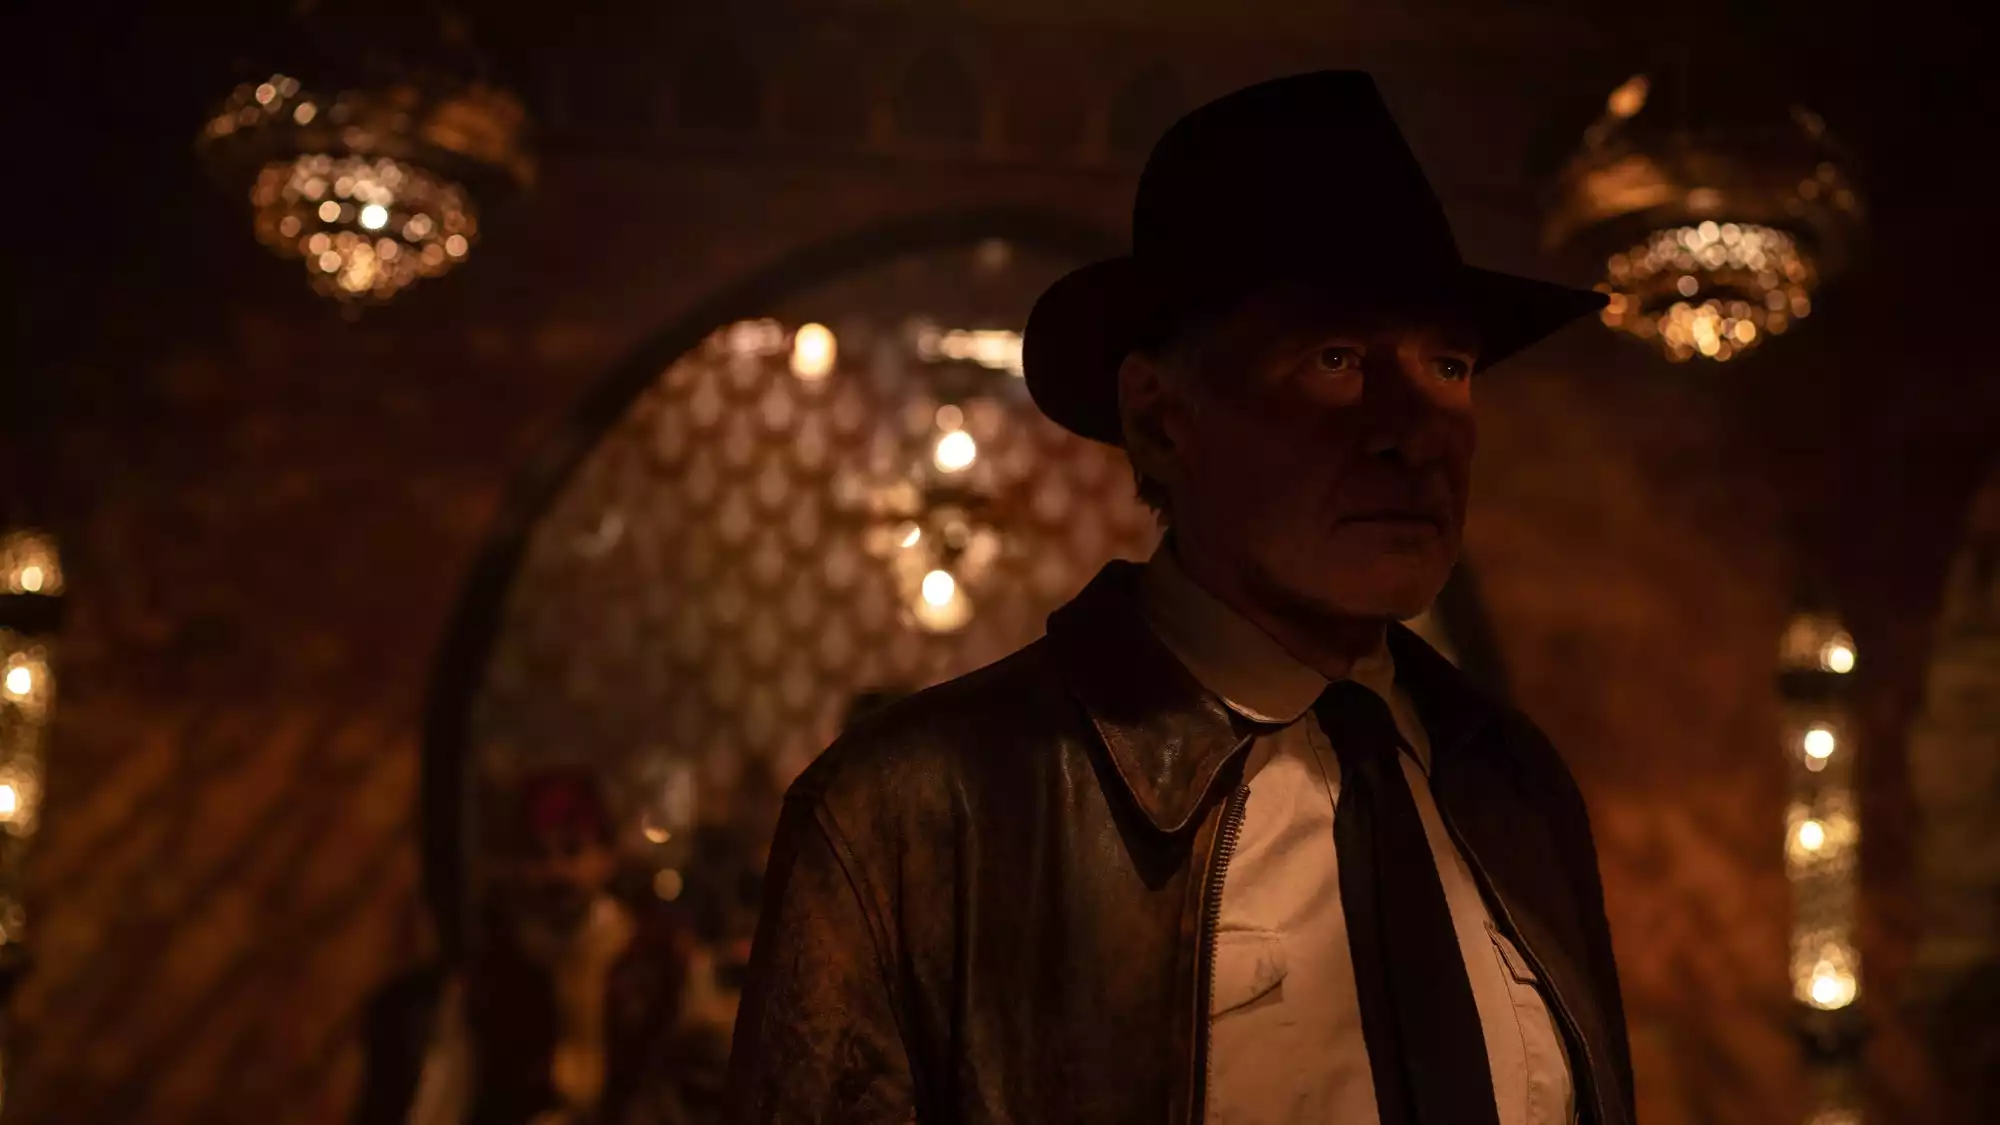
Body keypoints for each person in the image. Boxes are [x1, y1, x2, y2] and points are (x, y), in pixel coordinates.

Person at [724, 72, 1635, 1125]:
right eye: (1335, 358)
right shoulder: (919, 815)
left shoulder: (1513, 787)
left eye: (1449, 365)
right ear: (1161, 419)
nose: (1413, 431)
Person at [357, 768, 720, 1125]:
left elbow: (702, 1075)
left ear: (606, 857)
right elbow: (448, 1088)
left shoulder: (662, 960)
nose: (555, 871)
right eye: (538, 854)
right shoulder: (493, 970)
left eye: (572, 850)